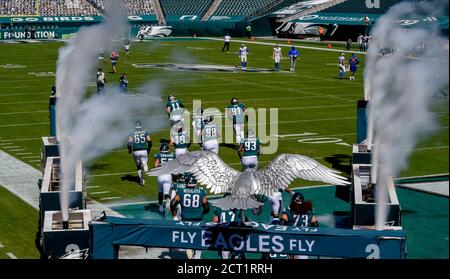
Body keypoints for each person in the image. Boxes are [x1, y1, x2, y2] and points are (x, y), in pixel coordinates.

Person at [170, 176, 210, 259]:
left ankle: (189, 248)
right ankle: (197, 257)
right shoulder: (201, 191)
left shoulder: (181, 191)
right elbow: (207, 208)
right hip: (198, 220)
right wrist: (201, 213)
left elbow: (172, 204)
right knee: (199, 238)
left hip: (186, 219)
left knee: (188, 237)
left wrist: (174, 216)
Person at [280, 192, 318, 259]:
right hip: (304, 242)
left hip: (291, 242)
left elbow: (281, 224)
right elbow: (316, 226)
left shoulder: (288, 211)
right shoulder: (309, 211)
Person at [127, 121, 152, 186]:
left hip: (136, 151)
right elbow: (150, 142)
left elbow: (129, 143)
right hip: (144, 150)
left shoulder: (132, 132)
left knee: (138, 166)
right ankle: (144, 162)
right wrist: (148, 150)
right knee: (144, 161)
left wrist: (129, 150)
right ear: (141, 125)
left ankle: (142, 180)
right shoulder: (145, 131)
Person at [154, 142, 176, 213]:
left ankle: (160, 206)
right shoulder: (172, 155)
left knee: (160, 192)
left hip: (160, 175)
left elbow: (155, 165)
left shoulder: (159, 155)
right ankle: (168, 199)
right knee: (166, 193)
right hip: (168, 175)